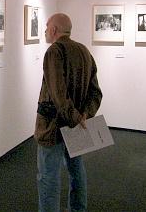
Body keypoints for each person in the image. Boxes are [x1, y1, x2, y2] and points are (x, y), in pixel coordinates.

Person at [35, 13, 102, 212]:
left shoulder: (54, 51)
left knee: (48, 177)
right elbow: (96, 92)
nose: (45, 31)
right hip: (77, 125)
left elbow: (58, 94)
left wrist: (75, 117)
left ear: (54, 30)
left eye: (47, 27)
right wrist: (84, 116)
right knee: (76, 170)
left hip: (53, 127)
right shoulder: (84, 51)